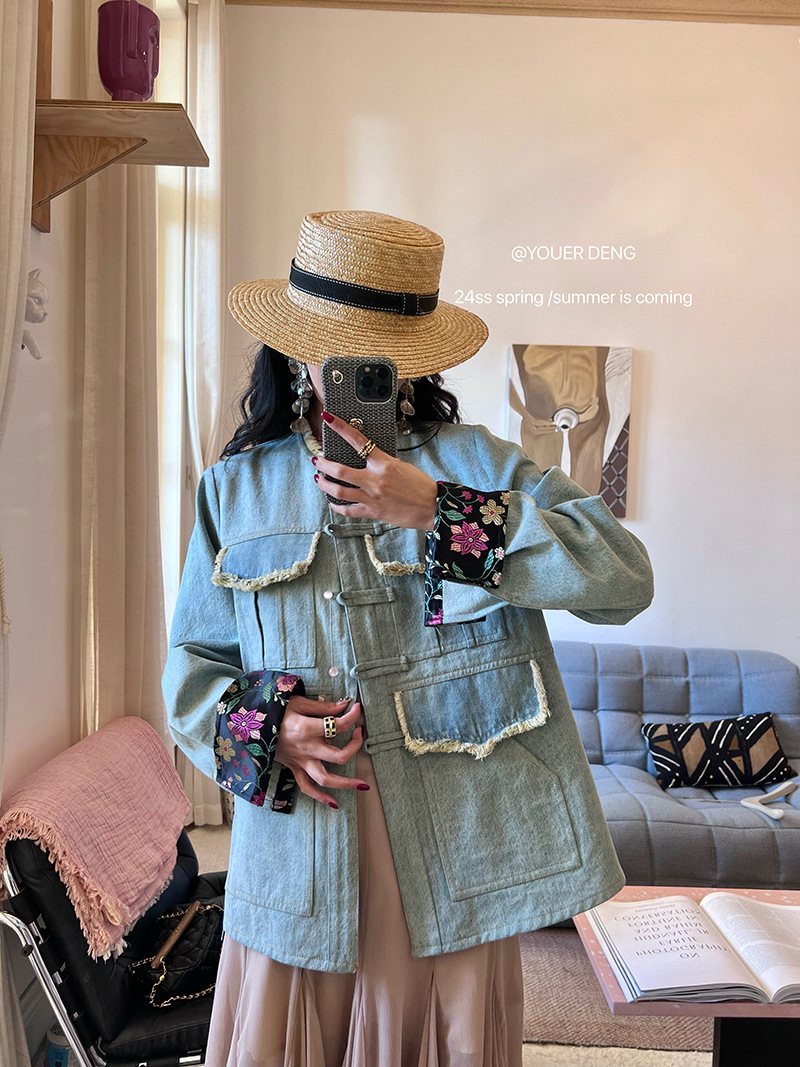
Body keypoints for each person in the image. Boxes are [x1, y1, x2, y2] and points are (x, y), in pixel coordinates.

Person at [162, 210, 655, 1067]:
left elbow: (623, 578)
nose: (351, 372)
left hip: (457, 858)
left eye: (376, 355)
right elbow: (190, 673)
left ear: (411, 362)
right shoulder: (232, 491)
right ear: (295, 353)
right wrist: (269, 727)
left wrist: (439, 511)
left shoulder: (476, 466)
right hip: (296, 859)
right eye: (333, 349)